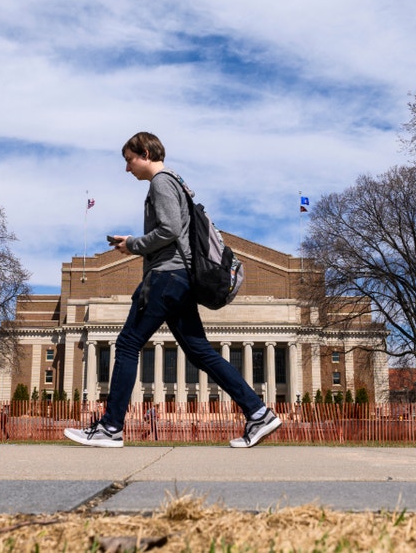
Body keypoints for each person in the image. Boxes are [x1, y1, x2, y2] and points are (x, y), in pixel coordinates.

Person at [64, 132, 281, 449]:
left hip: (165, 278)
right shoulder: (177, 183)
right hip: (179, 281)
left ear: (147, 153)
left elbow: (167, 230)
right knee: (201, 352)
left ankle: (110, 427)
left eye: (129, 160)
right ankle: (258, 412)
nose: (127, 169)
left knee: (126, 344)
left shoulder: (162, 182)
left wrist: (133, 244)